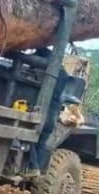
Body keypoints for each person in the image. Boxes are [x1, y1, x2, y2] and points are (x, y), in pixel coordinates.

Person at [26, 48, 69, 177]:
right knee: (41, 143)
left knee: (29, 138)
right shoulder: (63, 74)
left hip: (42, 114)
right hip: (52, 116)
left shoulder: (46, 72)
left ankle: (33, 167)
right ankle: (37, 170)